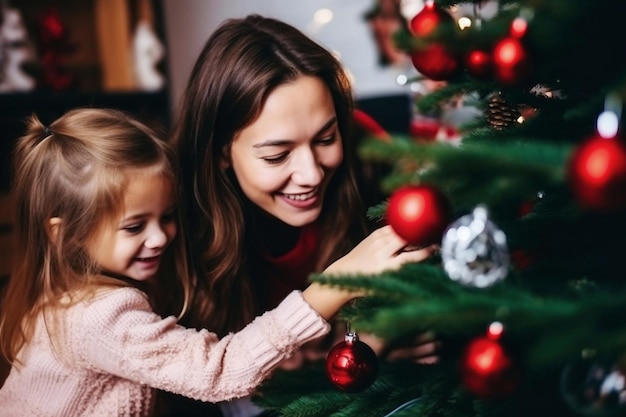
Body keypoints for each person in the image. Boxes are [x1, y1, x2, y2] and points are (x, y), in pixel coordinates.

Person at [0, 108, 431, 417]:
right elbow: (220, 372)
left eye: (166, 217)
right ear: (61, 233)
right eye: (134, 227)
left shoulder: (66, 298)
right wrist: (337, 281)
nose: (160, 238)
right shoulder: (100, 316)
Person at [168, 14, 438, 417]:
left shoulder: (367, 154)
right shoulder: (169, 223)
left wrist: (392, 324)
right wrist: (349, 345)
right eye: (277, 155)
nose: (311, 173)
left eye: (326, 138)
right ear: (222, 151)